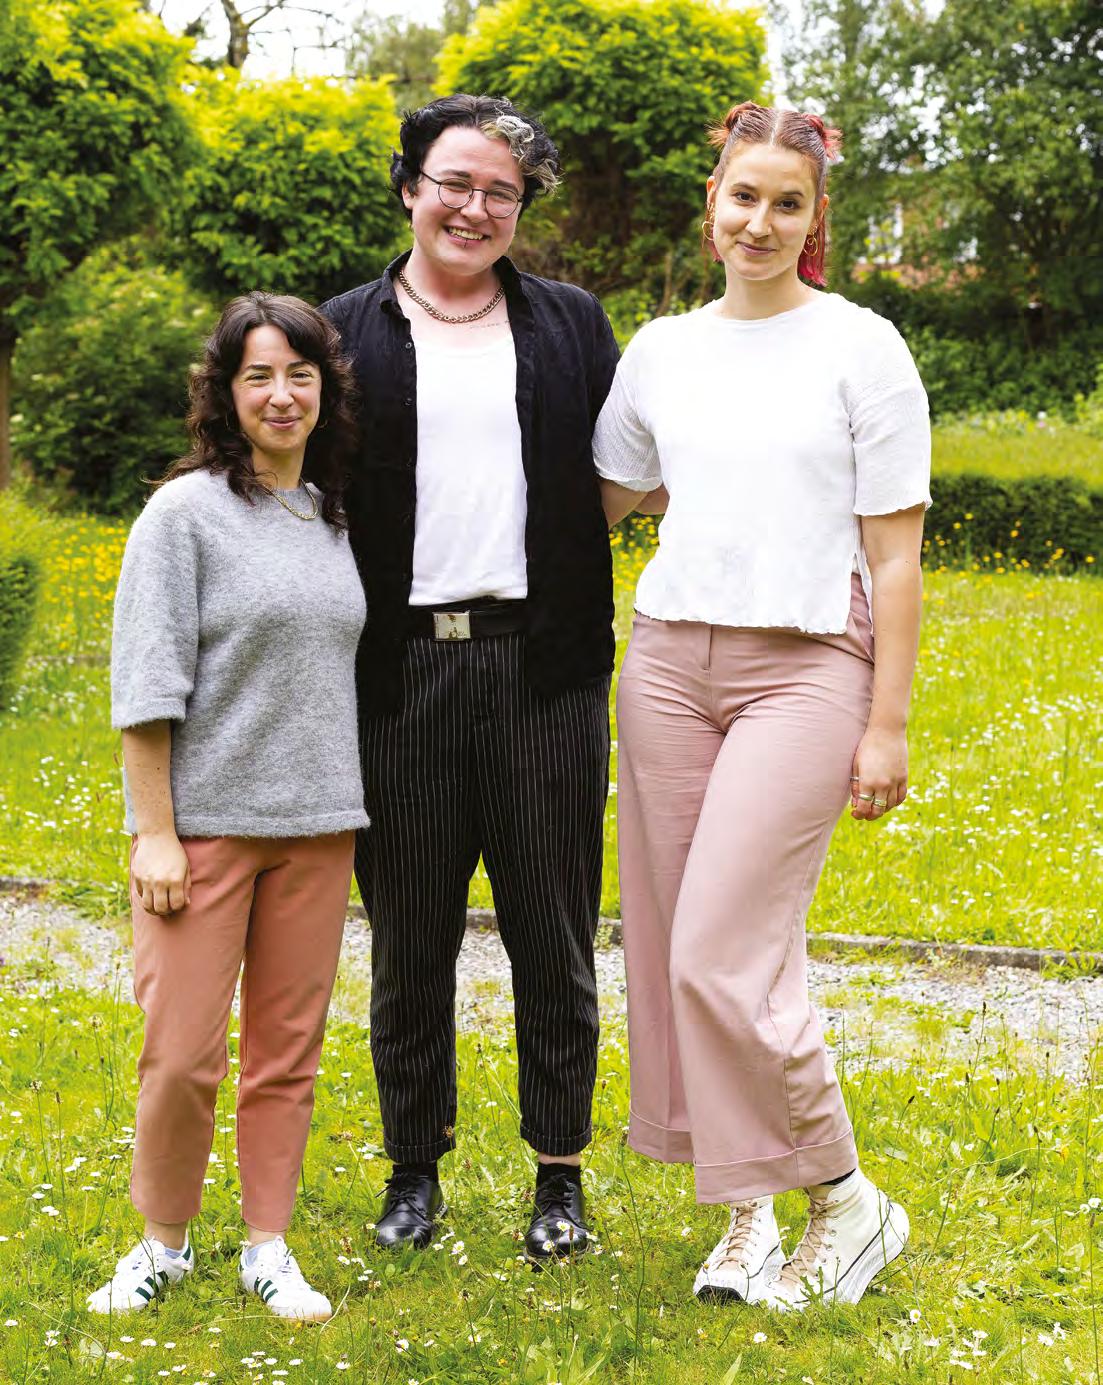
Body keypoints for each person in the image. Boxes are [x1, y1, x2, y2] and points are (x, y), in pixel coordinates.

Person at [595, 101, 929, 1309]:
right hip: (666, 665)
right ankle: (744, 1211)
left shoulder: (860, 347)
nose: (759, 221)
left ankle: (847, 1200)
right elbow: (606, 495)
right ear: (712, 202)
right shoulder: (660, 350)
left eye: (787, 202)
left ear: (813, 216)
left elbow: (893, 555)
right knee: (672, 946)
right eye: (743, 196)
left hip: (805, 666)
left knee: (720, 948)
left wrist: (885, 723)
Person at [319, 93, 620, 1261]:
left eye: (501, 190)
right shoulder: (339, 331)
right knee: (408, 938)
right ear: (409, 187)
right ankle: (412, 1169)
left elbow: (632, 464)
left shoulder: (569, 324)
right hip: (396, 676)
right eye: (454, 181)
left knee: (553, 931)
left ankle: (559, 1173)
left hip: (542, 669)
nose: (475, 206)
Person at [89, 294, 367, 1321]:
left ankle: (267, 1244)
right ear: (225, 391)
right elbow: (145, 683)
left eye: (299, 374)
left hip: (318, 825)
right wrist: (154, 832)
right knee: (181, 1054)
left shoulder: (333, 515)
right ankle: (161, 1242)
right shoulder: (183, 514)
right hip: (202, 830)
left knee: (285, 1056)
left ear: (323, 389)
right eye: (258, 376)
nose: (280, 395)